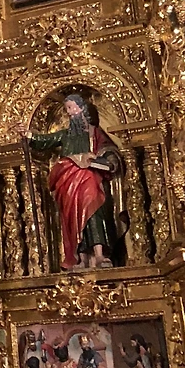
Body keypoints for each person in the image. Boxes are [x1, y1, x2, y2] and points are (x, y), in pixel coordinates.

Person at [29, 92, 126, 269]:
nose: (69, 113)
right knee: (73, 219)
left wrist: (107, 160)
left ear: (82, 109)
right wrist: (28, 135)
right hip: (68, 183)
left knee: (94, 211)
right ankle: (81, 258)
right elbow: (45, 141)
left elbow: (108, 149)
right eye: (67, 109)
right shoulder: (65, 135)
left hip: (90, 179)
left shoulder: (94, 133)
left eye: (72, 108)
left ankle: (99, 254)